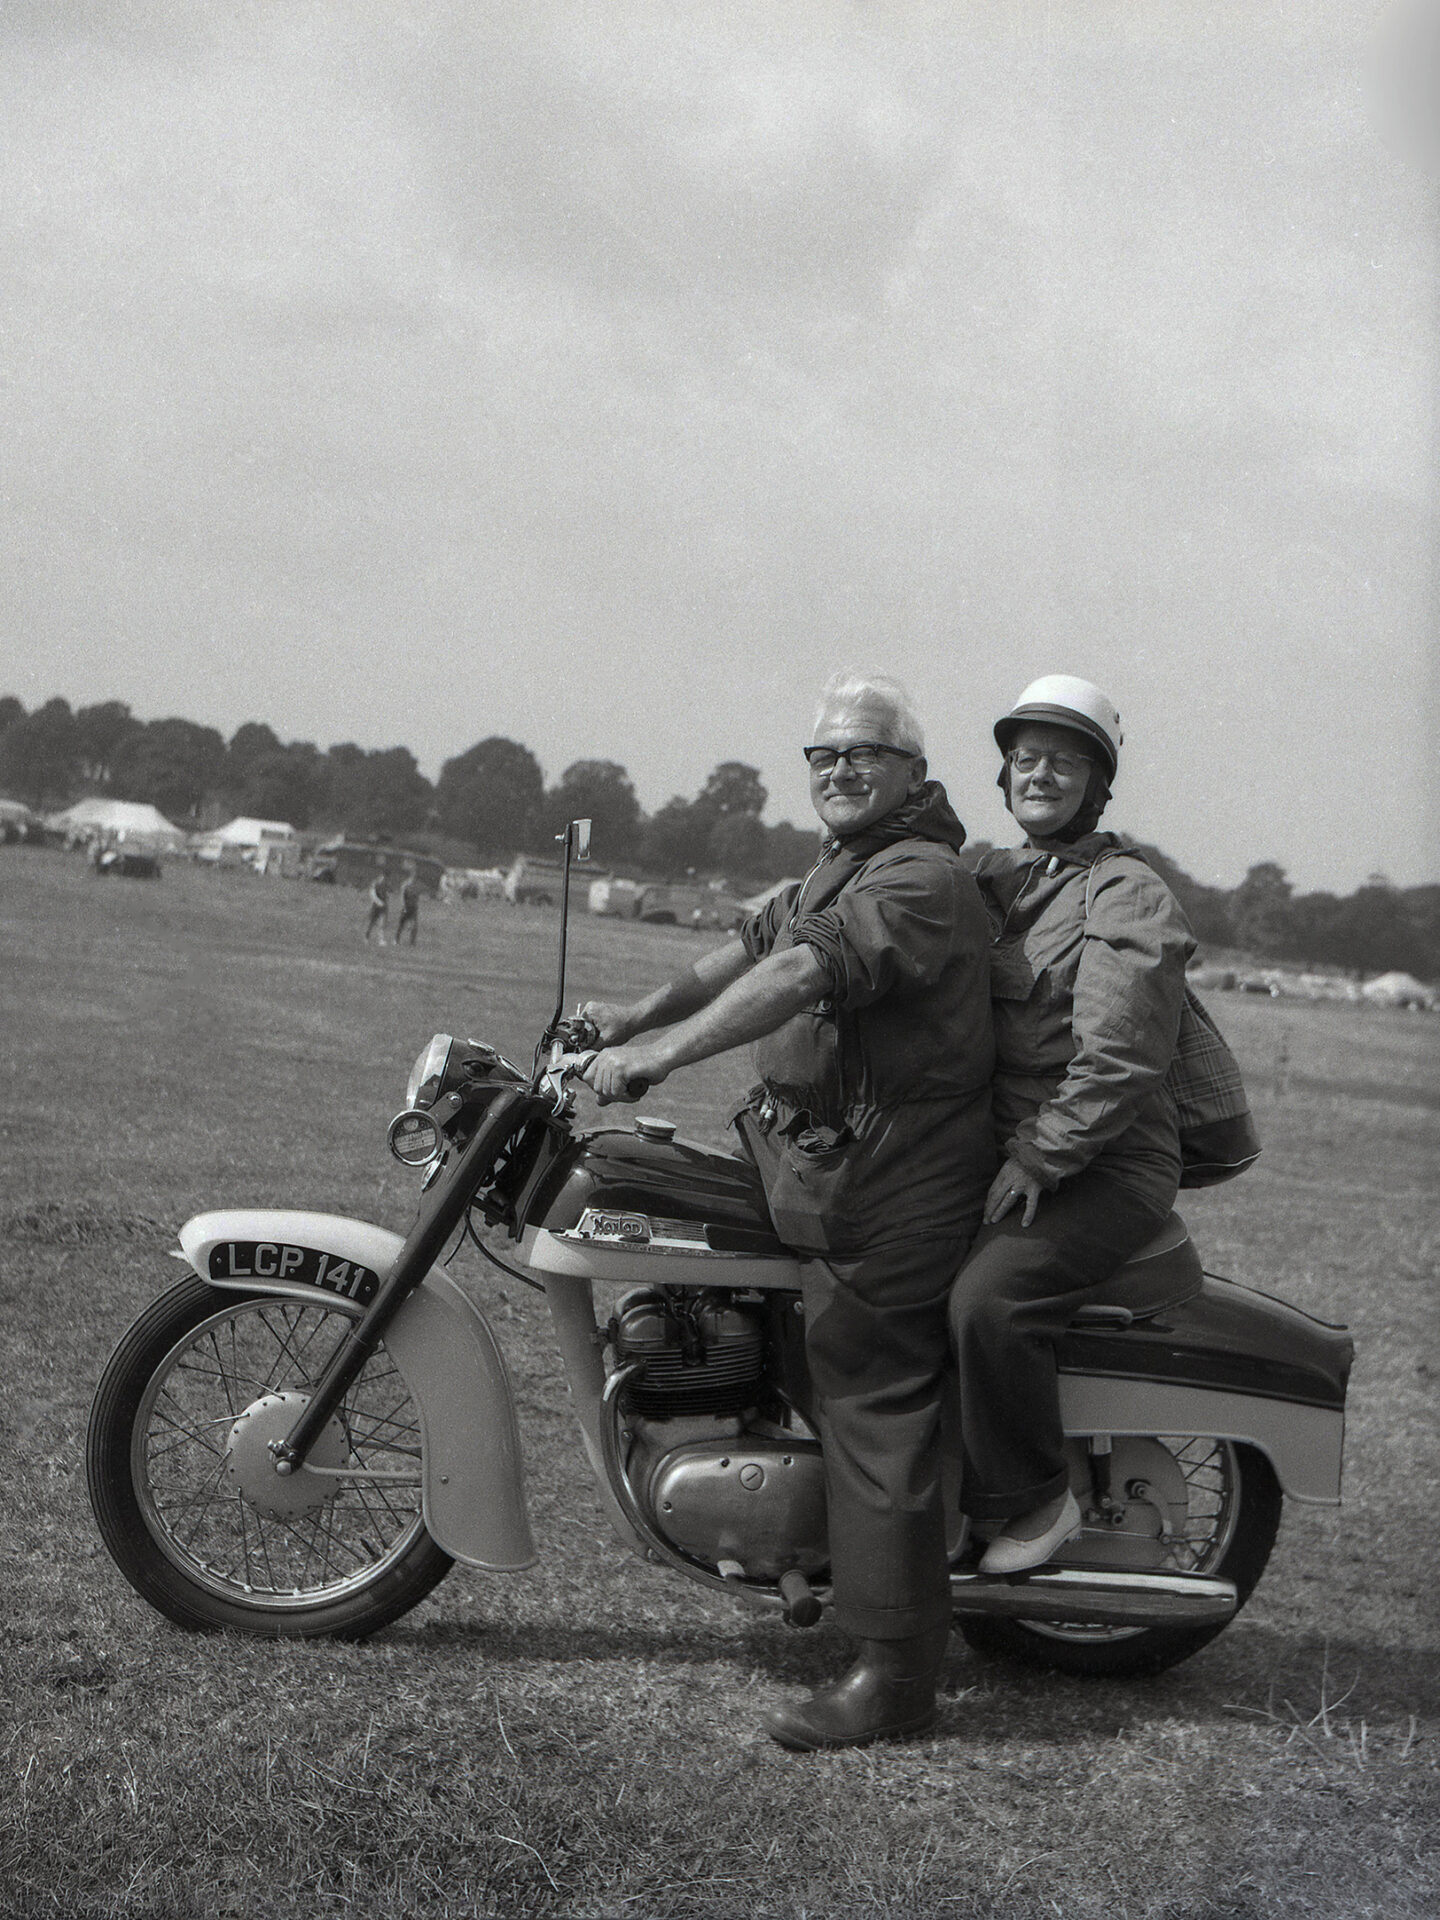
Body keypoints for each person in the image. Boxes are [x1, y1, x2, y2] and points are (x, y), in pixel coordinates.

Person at [582, 671, 995, 1750]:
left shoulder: (919, 877)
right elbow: (745, 948)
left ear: (913, 772)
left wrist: (662, 1057)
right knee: (777, 1335)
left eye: (863, 754)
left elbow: (808, 970)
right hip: (824, 1167)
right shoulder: (836, 864)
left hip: (895, 1185)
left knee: (872, 1391)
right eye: (822, 756)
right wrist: (624, 1017)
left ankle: (897, 1677)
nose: (840, 770)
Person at [949, 676, 1195, 1574]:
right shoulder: (995, 874)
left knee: (989, 1302)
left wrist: (1039, 1157)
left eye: (1063, 759)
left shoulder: (1128, 894)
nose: (1038, 773)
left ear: (1099, 783)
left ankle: (1034, 1502)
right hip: (1004, 1149)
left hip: (1104, 1167)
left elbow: (1120, 1057)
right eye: (1023, 757)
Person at [364, 865, 390, 944]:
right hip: (376, 905)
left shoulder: (386, 883)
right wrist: (378, 902)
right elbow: (372, 894)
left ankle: (380, 940)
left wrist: (386, 900)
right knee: (372, 922)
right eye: (385, 876)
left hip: (383, 906)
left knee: (382, 923)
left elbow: (386, 894)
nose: (385, 878)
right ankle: (366, 938)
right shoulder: (376, 882)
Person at [396, 865, 421, 945]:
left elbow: (417, 896)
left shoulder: (417, 886)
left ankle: (412, 942)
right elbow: (402, 895)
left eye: (416, 876)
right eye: (413, 875)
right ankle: (396, 939)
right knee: (401, 924)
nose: (415, 877)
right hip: (406, 907)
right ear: (410, 876)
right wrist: (403, 905)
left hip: (413, 907)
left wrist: (416, 903)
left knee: (414, 925)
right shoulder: (405, 885)